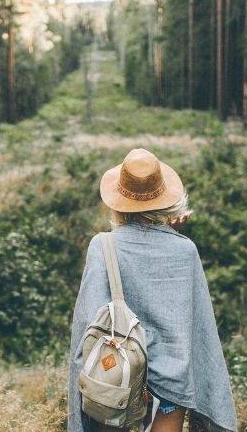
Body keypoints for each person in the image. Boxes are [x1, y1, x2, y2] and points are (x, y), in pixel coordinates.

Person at [68, 148, 236, 432]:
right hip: (171, 386)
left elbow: (88, 324)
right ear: (167, 200)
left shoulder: (102, 246)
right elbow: (199, 329)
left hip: (115, 379)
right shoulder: (186, 251)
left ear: (119, 201)